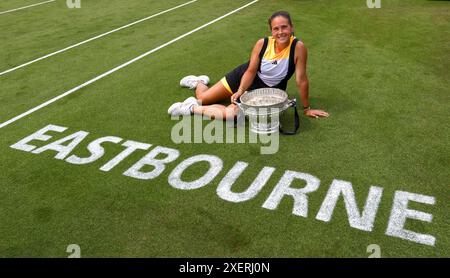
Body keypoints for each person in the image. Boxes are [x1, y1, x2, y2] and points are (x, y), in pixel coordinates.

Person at [168, 11, 329, 120]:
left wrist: (307, 108)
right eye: (276, 28)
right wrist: (240, 91)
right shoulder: (262, 44)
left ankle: (189, 108)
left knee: (232, 115)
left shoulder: (298, 48)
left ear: (291, 27)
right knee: (203, 98)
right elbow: (251, 71)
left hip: (267, 91)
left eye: (284, 27)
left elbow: (301, 80)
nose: (281, 32)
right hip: (243, 77)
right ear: (271, 31)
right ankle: (199, 83)